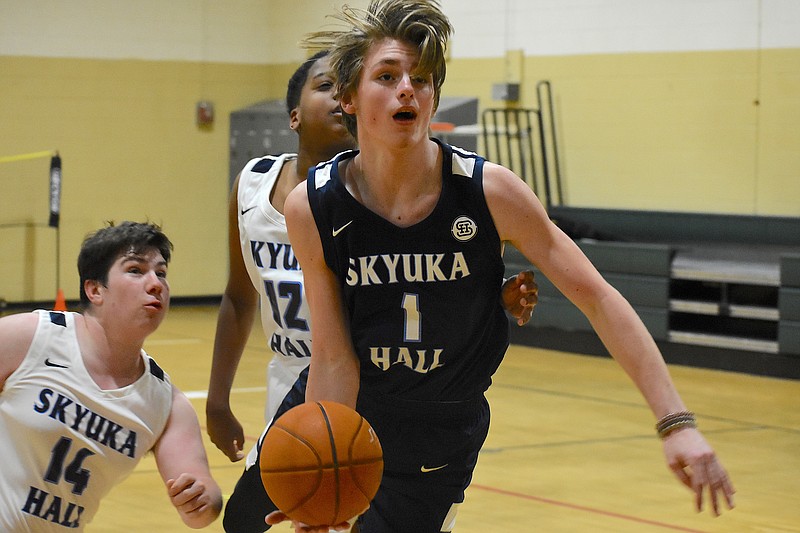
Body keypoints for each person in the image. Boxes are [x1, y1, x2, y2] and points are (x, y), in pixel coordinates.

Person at [274, 1, 736, 531]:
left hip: (442, 423)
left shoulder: (489, 191)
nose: (408, 88)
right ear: (351, 98)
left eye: (421, 79)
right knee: (246, 517)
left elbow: (598, 297)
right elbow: (335, 359)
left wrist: (675, 421)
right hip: (365, 409)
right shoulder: (313, 207)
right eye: (387, 75)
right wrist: (327, 475)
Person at [207, 50, 537, 533]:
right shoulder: (257, 188)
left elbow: (422, 285)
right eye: (325, 87)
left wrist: (487, 297)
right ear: (294, 115)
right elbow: (238, 297)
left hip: (380, 385)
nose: (339, 101)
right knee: (246, 519)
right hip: (301, 383)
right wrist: (217, 400)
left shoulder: (386, 199)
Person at [0, 221, 222, 531]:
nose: (155, 283)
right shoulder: (31, 337)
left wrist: (200, 500)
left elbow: (203, 499)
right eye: (135, 270)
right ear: (95, 290)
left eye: (161, 273)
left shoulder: (165, 402)